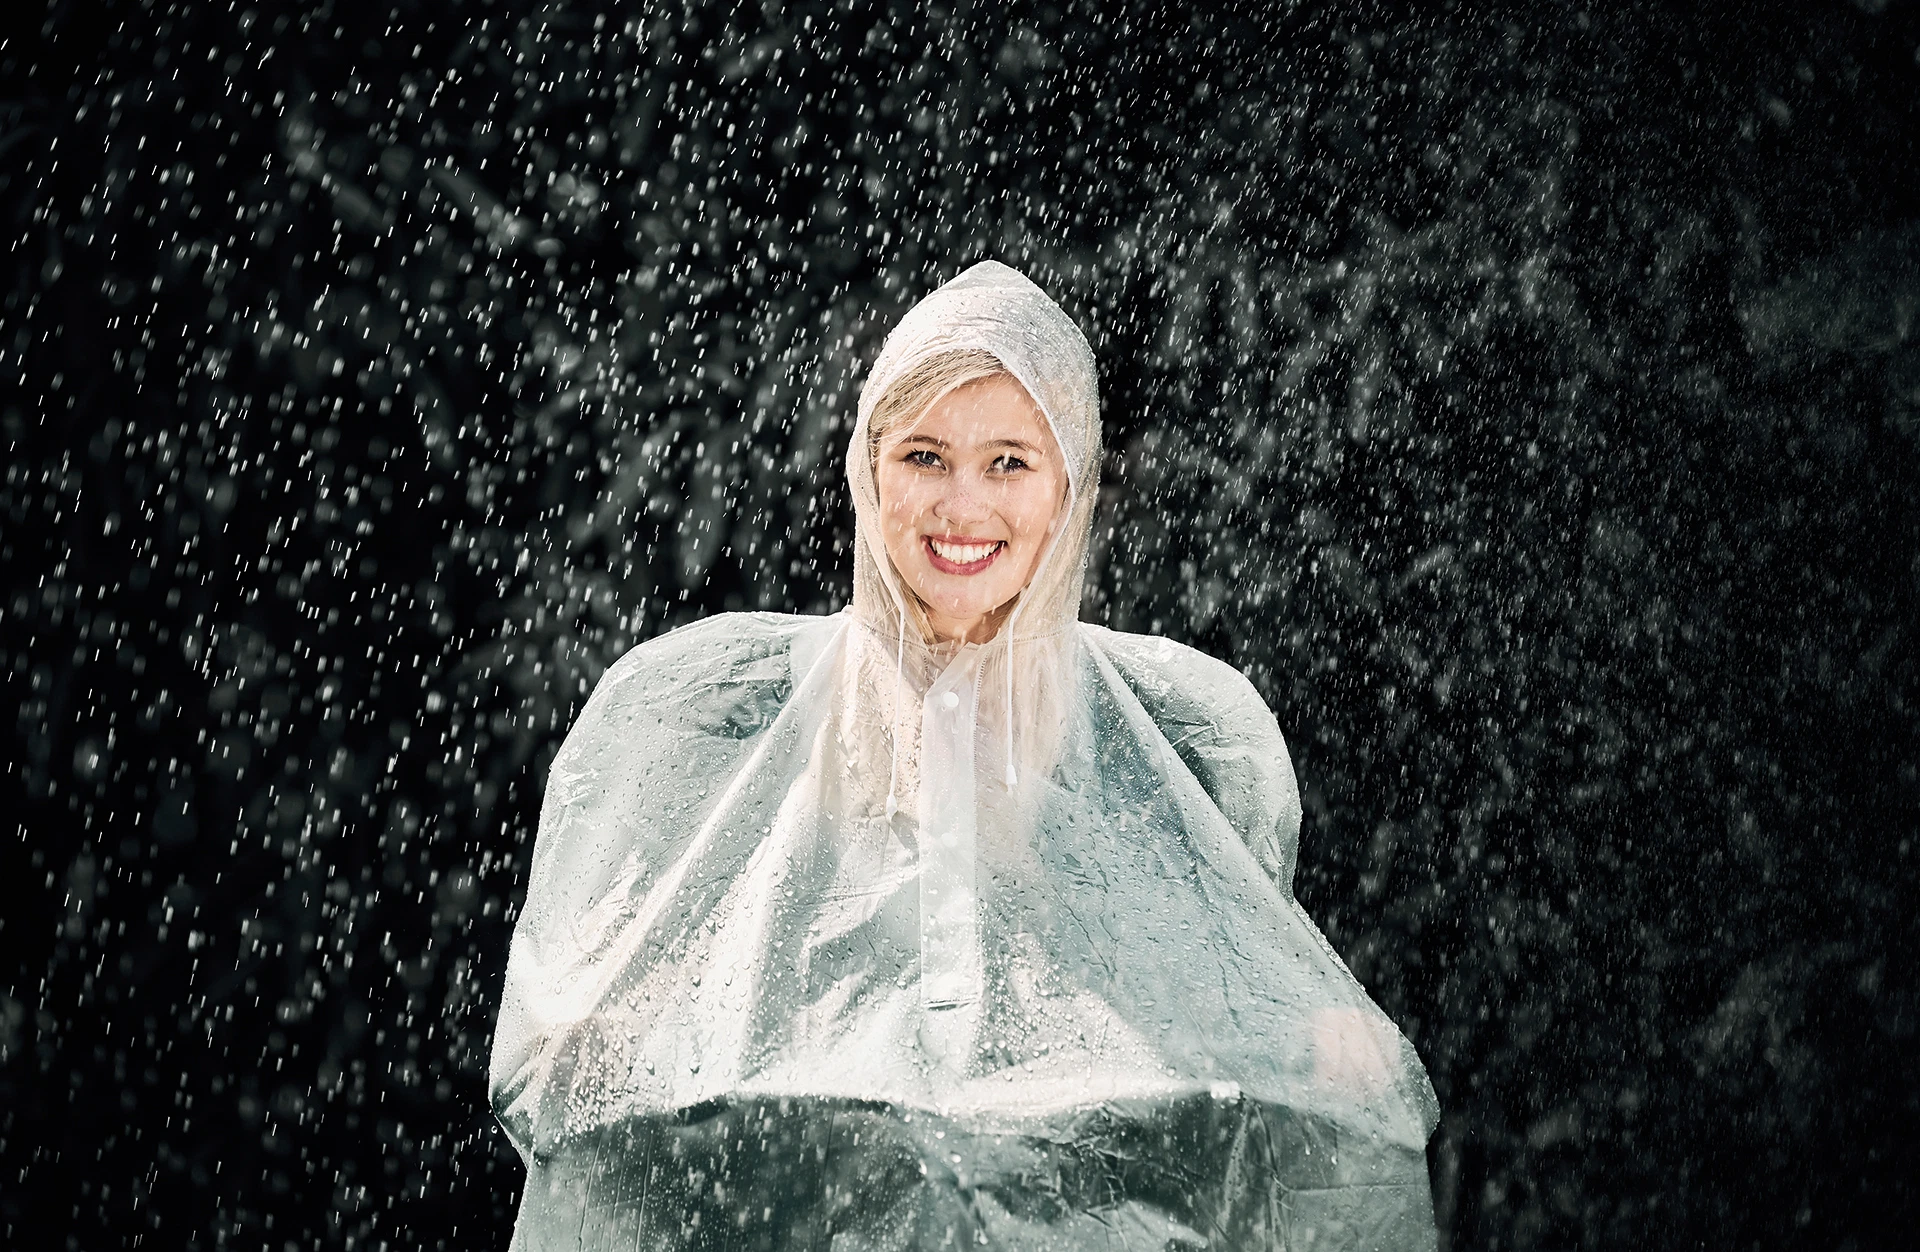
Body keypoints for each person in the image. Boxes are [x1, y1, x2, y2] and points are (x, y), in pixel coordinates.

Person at [490, 261, 1439, 1250]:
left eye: (1010, 462)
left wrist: (1317, 1047)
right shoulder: (715, 712)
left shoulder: (1184, 735)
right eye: (925, 455)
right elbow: (586, 1058)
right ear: (869, 470)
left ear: (1070, 484)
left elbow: (1231, 1021)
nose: (962, 504)